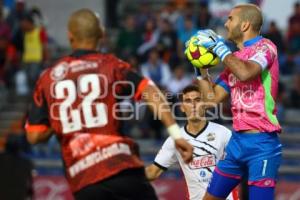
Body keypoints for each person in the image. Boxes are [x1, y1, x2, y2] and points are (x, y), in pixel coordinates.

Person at [24, 9, 193, 200]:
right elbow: (151, 92)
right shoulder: (111, 65)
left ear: (70, 36)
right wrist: (176, 134)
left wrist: (63, 120)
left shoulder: (48, 78)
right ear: (102, 35)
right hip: (122, 168)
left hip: (84, 179)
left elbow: (34, 135)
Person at [191, 3, 282, 200]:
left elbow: (246, 73)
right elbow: (211, 100)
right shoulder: (234, 59)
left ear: (245, 25)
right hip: (237, 143)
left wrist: (219, 48)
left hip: (263, 142)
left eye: (230, 19)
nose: (226, 23)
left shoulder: (266, 47)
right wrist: (201, 70)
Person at [145, 85, 239, 200]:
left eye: (197, 100)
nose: (193, 105)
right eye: (188, 101)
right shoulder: (175, 139)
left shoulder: (223, 133)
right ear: (182, 107)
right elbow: (153, 172)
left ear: (204, 104)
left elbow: (241, 165)